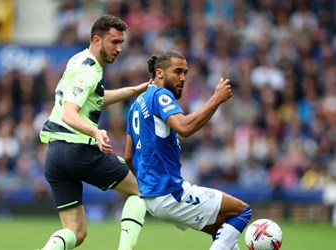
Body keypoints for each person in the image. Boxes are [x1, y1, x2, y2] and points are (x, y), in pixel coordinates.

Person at [38, 14, 147, 250]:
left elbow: (94, 98)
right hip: (78, 149)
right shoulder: (89, 71)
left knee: (75, 232)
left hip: (55, 155)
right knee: (140, 190)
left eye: (121, 43)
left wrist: (134, 90)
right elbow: (69, 113)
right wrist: (94, 131)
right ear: (97, 40)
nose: (119, 48)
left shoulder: (79, 60)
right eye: (114, 42)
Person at [125, 50, 252, 250]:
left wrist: (147, 185)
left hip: (153, 196)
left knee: (224, 230)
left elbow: (128, 156)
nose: (183, 78)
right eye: (177, 71)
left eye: (185, 72)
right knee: (242, 212)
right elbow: (184, 127)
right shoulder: (160, 95)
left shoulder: (136, 105)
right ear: (159, 73)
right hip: (170, 192)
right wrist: (216, 98)